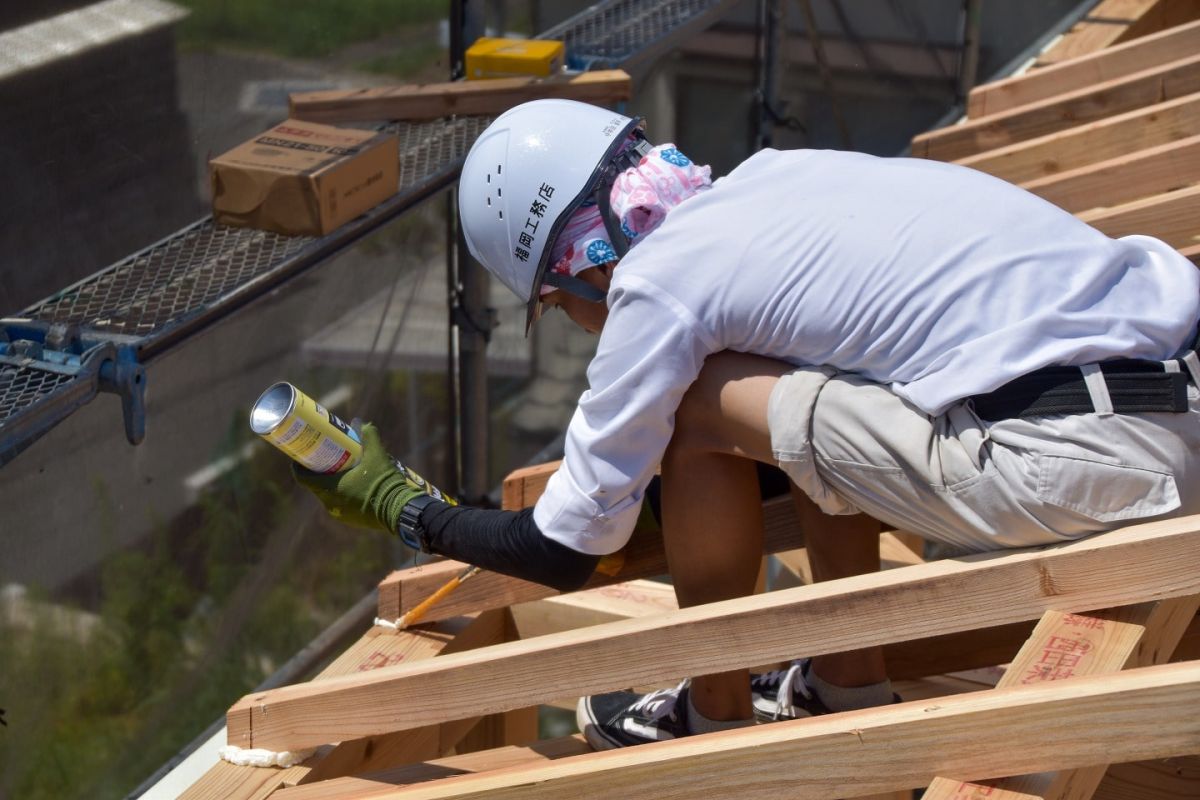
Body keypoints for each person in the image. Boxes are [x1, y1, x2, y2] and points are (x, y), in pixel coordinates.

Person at [295, 99, 1200, 751]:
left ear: (580, 274)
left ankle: (713, 709)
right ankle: (846, 684)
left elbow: (567, 550)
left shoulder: (654, 284)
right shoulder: (781, 183)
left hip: (1070, 459)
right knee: (796, 382)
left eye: (558, 308)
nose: (578, 326)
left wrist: (407, 511)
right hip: (1178, 412)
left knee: (698, 402)